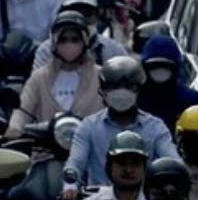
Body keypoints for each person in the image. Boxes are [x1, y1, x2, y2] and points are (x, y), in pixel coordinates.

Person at [64, 56, 180, 191]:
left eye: (129, 87)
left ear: (139, 90)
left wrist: (175, 178)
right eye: (114, 87)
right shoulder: (89, 126)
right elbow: (75, 162)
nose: (121, 92)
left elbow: (173, 161)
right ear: (103, 90)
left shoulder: (155, 127)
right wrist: (70, 185)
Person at [8, 12, 104, 136]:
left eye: (75, 39)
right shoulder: (39, 77)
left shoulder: (101, 76)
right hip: (46, 151)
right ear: (54, 43)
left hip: (92, 150)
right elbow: (23, 111)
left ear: (85, 42)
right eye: (63, 40)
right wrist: (14, 129)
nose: (69, 44)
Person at [137, 35, 198, 129]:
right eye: (154, 66)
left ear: (176, 68)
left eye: (166, 66)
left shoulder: (191, 100)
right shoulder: (134, 99)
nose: (160, 71)